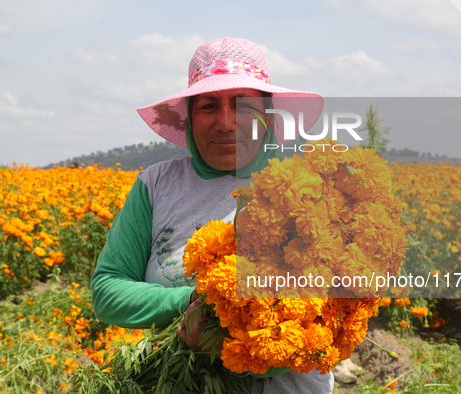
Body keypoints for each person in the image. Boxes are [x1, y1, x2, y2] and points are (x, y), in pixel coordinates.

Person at [91, 37, 334, 393]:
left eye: (243, 106)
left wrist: (228, 348)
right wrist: (193, 301)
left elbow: (328, 324)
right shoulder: (156, 185)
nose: (225, 122)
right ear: (189, 117)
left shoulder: (311, 190)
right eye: (208, 106)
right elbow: (108, 290)